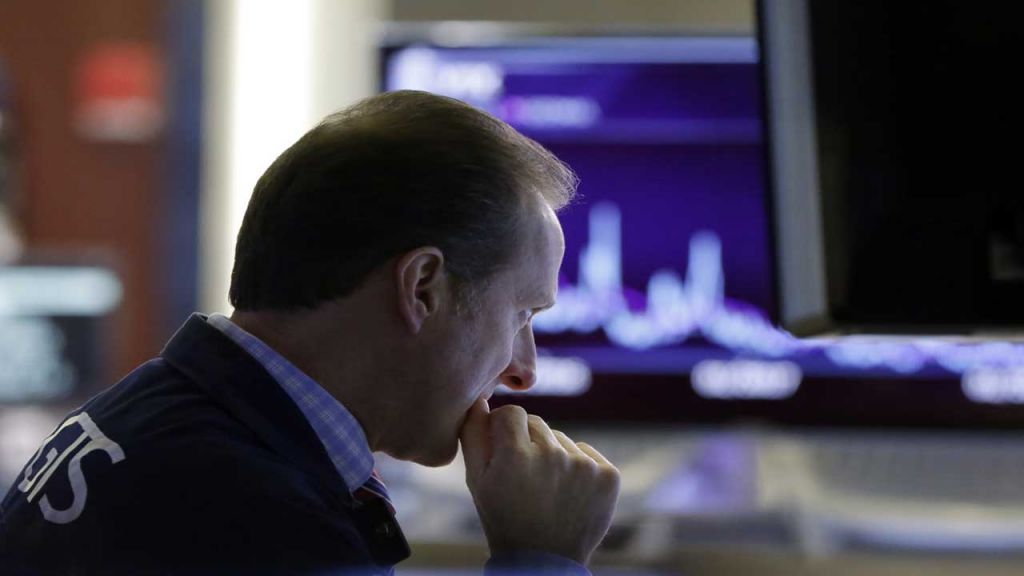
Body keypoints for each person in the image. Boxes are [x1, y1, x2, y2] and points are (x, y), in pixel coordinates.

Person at [0, 90, 620, 575]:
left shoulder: (165, 415)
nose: (524, 369)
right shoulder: (259, 520)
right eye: (521, 316)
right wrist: (541, 558)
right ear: (423, 288)